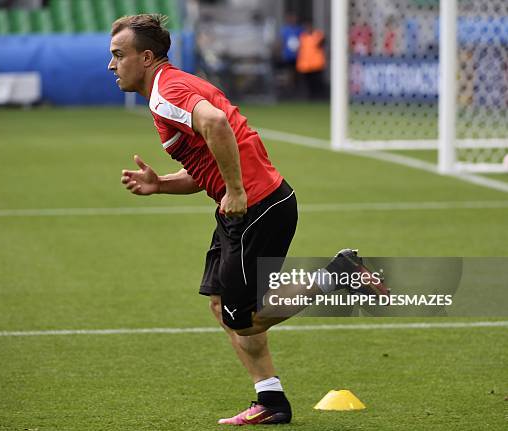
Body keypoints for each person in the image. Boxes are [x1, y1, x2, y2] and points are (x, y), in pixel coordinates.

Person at [109, 14, 387, 425]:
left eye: (118, 55)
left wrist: (236, 191)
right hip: (244, 206)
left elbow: (217, 124)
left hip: (255, 207)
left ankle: (339, 275)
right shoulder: (172, 87)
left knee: (244, 319)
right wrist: (161, 184)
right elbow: (207, 164)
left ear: (146, 57)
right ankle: (271, 400)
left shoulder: (167, 90)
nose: (112, 65)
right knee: (222, 305)